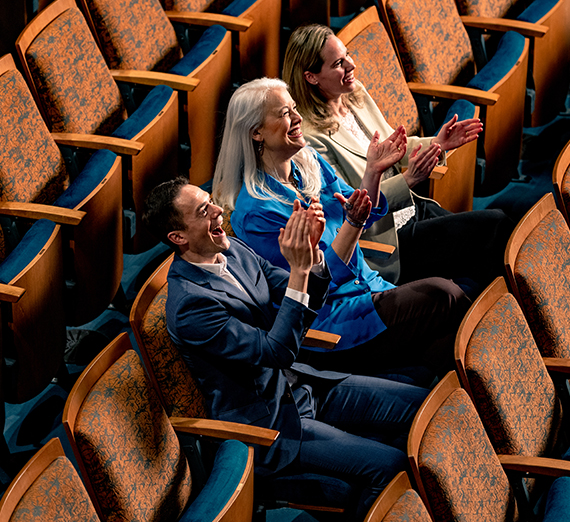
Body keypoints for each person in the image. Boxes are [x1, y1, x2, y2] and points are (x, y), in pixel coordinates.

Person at [142, 177, 430, 521]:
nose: (219, 211)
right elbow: (275, 350)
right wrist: (298, 271)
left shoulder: (233, 250)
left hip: (305, 385)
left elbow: (299, 295)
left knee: (422, 408)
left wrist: (312, 260)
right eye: (205, 211)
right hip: (272, 424)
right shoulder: (191, 306)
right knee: (393, 467)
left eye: (211, 201)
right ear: (179, 237)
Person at [212, 78, 471, 377]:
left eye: (295, 108)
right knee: (443, 294)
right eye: (284, 113)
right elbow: (315, 287)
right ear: (256, 132)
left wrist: (373, 172)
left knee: (448, 345)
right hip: (334, 324)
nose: (297, 118)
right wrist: (353, 223)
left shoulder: (309, 161)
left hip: (371, 289)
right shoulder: (256, 213)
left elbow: (362, 209)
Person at [282, 24, 514, 290]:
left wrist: (438, 143)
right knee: (493, 226)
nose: (350, 65)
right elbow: (350, 205)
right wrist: (409, 179)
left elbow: (394, 146)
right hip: (384, 240)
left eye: (347, 55)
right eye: (338, 63)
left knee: (492, 242)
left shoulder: (355, 94)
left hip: (411, 209)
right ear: (311, 77)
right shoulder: (310, 139)